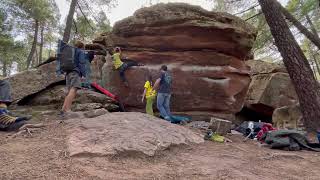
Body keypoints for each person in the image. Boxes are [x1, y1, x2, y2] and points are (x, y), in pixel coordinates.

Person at [59, 41, 94, 118]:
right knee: (74, 89)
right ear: (82, 47)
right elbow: (81, 63)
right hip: (75, 72)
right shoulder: (80, 51)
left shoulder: (70, 52)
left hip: (68, 73)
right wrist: (84, 75)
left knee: (69, 91)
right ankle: (68, 110)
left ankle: (63, 110)